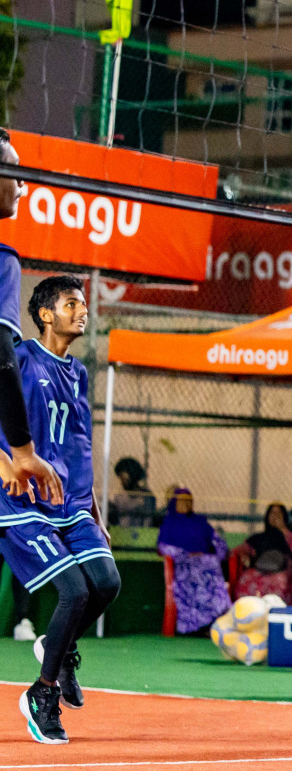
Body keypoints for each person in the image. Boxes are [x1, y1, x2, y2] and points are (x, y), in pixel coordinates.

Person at [7, 275, 121, 746]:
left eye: (83, 303)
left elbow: (79, 443)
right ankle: (42, 693)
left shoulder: (78, 372)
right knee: (73, 591)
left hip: (71, 503)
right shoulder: (17, 357)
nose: (83, 310)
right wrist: (6, 464)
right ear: (46, 314)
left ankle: (62, 649)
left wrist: (94, 508)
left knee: (108, 583)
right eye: (71, 303)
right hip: (22, 502)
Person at [0, 129, 64, 509]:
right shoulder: (4, 261)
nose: (25, 184)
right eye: (14, 170)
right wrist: (23, 452)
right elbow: (1, 357)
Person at [156, 488, 230, 633]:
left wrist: (218, 553)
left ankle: (216, 620)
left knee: (212, 569)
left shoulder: (200, 522)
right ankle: (201, 625)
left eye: (189, 501)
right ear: (174, 502)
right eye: (181, 500)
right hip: (183, 565)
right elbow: (162, 546)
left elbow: (218, 541)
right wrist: (186, 554)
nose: (186, 504)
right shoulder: (169, 523)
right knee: (199, 574)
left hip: (207, 564)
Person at [232, 503, 292, 607]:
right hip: (259, 570)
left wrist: (282, 529)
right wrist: (244, 556)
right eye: (272, 513)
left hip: (281, 571)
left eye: (278, 513)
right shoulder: (258, 538)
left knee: (279, 581)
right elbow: (239, 551)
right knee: (246, 579)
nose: (275, 516)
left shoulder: (290, 538)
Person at [108, 457, 158, 527]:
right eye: (120, 478)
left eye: (124, 478)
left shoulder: (146, 497)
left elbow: (148, 521)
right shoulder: (120, 496)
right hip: (121, 533)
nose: (121, 482)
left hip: (139, 534)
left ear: (132, 475)